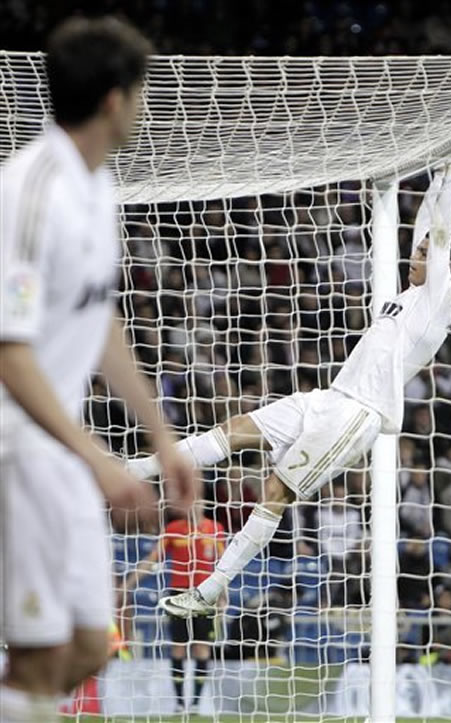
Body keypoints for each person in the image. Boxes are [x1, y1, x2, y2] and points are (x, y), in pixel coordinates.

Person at [127, 162, 451, 618]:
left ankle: (211, 590)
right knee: (236, 429)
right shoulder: (407, 296)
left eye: (424, 253)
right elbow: (429, 226)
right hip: (328, 399)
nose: (416, 254)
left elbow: (440, 236)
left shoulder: (438, 305)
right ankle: (137, 468)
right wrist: (439, 176)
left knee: (274, 491)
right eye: (417, 249)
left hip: (356, 416)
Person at [0, 17, 193, 723]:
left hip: (65, 451)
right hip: (17, 447)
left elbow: (98, 318)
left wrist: (161, 435)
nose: (142, 108)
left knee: (87, 643)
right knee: (37, 654)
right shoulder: (29, 191)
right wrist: (103, 463)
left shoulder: (98, 186)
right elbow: (9, 353)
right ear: (115, 99)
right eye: (140, 93)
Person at [118, 479, 225, 714]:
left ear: (204, 503)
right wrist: (128, 584)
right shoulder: (174, 529)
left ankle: (196, 702)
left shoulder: (215, 529)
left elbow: (223, 566)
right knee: (178, 648)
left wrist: (223, 597)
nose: (194, 505)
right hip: (178, 595)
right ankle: (179, 703)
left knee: (201, 649)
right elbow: (152, 559)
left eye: (197, 500)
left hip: (205, 596)